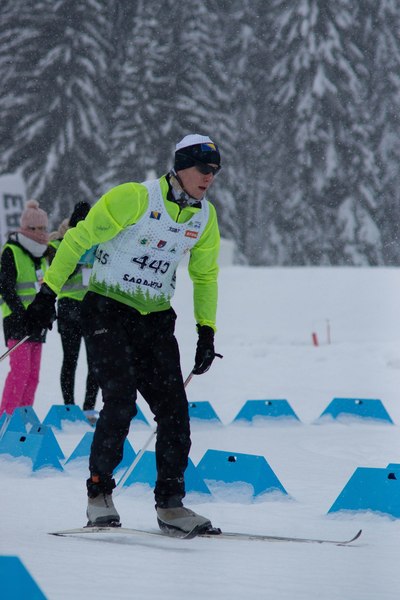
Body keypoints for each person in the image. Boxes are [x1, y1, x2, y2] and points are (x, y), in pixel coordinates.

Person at [25, 133, 222, 535]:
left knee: (175, 412)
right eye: (203, 169)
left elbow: (205, 276)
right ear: (181, 167)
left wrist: (206, 331)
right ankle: (99, 494)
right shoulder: (135, 197)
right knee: (120, 401)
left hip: (155, 318)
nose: (209, 178)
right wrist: (47, 294)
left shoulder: (204, 218)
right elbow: (78, 238)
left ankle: (171, 505)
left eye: (215, 171)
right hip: (108, 310)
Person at [48, 202, 99, 419]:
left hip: (92, 308)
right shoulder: (59, 243)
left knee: (95, 362)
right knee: (70, 359)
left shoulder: (97, 244)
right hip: (68, 306)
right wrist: (77, 252)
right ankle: (69, 407)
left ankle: (89, 408)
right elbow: (59, 274)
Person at [0, 200, 49, 416]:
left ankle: (23, 418)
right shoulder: (11, 251)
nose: (42, 233)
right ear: (28, 228)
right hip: (16, 319)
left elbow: (45, 287)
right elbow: (6, 288)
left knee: (32, 376)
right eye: (38, 228)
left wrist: (47, 312)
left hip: (37, 321)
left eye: (44, 228)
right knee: (19, 373)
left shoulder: (42, 255)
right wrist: (22, 314)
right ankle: (6, 419)